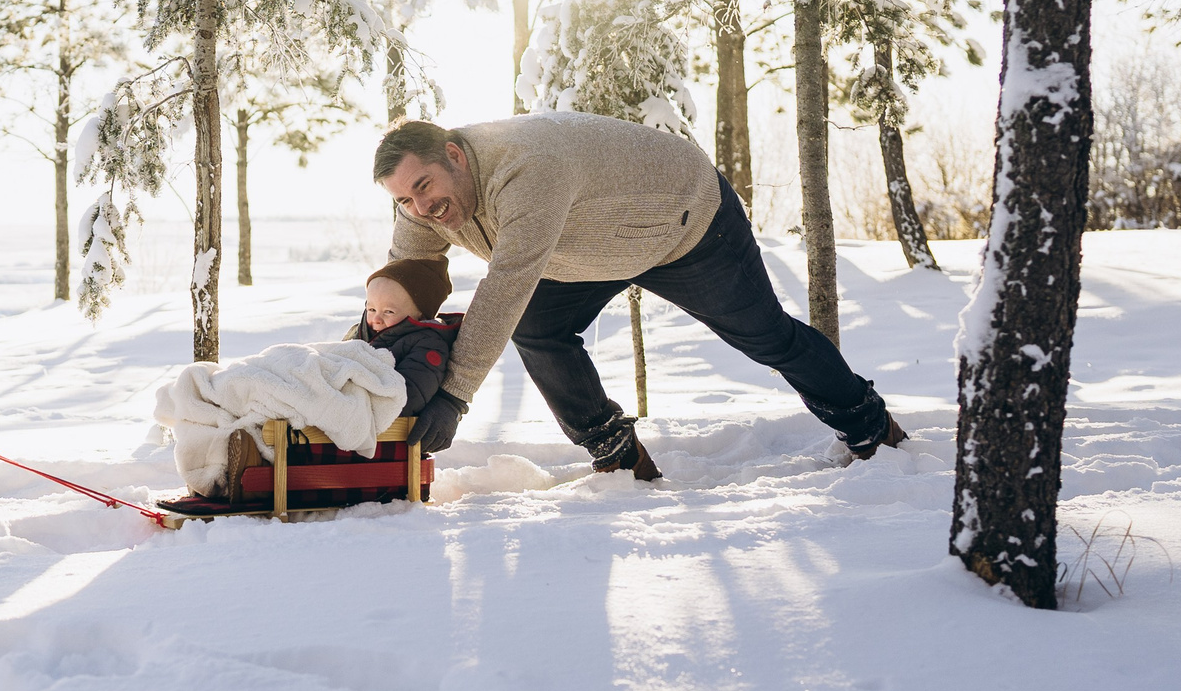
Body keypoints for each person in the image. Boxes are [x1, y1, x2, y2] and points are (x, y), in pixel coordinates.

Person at [372, 114, 905, 475]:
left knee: (766, 337)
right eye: (404, 199)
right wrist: (369, 358)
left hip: (685, 228)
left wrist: (454, 395)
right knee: (539, 330)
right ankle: (616, 454)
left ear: (454, 156)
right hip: (582, 245)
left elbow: (506, 284)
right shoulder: (422, 210)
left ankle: (870, 427)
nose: (420, 207)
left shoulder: (526, 170)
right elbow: (404, 283)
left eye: (424, 186)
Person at [357, 256, 458, 417]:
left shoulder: (427, 344)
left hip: (385, 429)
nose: (376, 319)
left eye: (389, 311)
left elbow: (410, 395)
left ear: (420, 315)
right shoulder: (360, 334)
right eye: (371, 309)